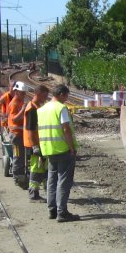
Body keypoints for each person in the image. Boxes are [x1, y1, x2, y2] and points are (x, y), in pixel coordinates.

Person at [38, 84, 79, 221]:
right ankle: (62, 212)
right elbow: (66, 128)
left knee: (51, 180)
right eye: (66, 96)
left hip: (48, 149)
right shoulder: (61, 108)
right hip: (62, 149)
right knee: (63, 181)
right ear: (61, 94)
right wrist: (72, 147)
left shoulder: (42, 109)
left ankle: (52, 210)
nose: (67, 99)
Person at [21, 84, 49, 201]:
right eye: (44, 95)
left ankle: (40, 191)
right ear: (38, 94)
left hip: (37, 143)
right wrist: (35, 146)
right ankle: (33, 194)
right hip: (33, 144)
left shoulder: (36, 107)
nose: (46, 98)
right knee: (36, 168)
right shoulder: (31, 108)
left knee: (40, 168)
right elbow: (31, 129)